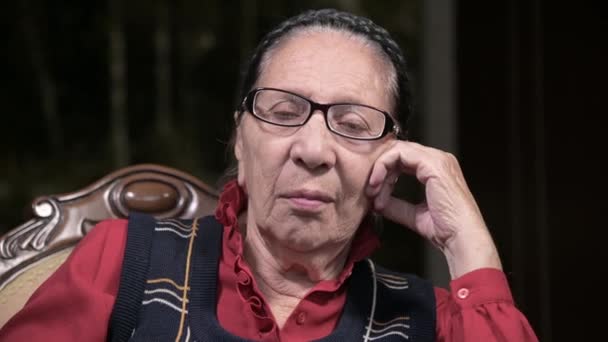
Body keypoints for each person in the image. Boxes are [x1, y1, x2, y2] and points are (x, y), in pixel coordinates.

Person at [0, 8, 538, 342]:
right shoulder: (123, 261)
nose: (313, 148)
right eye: (283, 114)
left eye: (351, 124)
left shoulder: (432, 322)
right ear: (240, 138)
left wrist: (469, 244)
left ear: (392, 160)